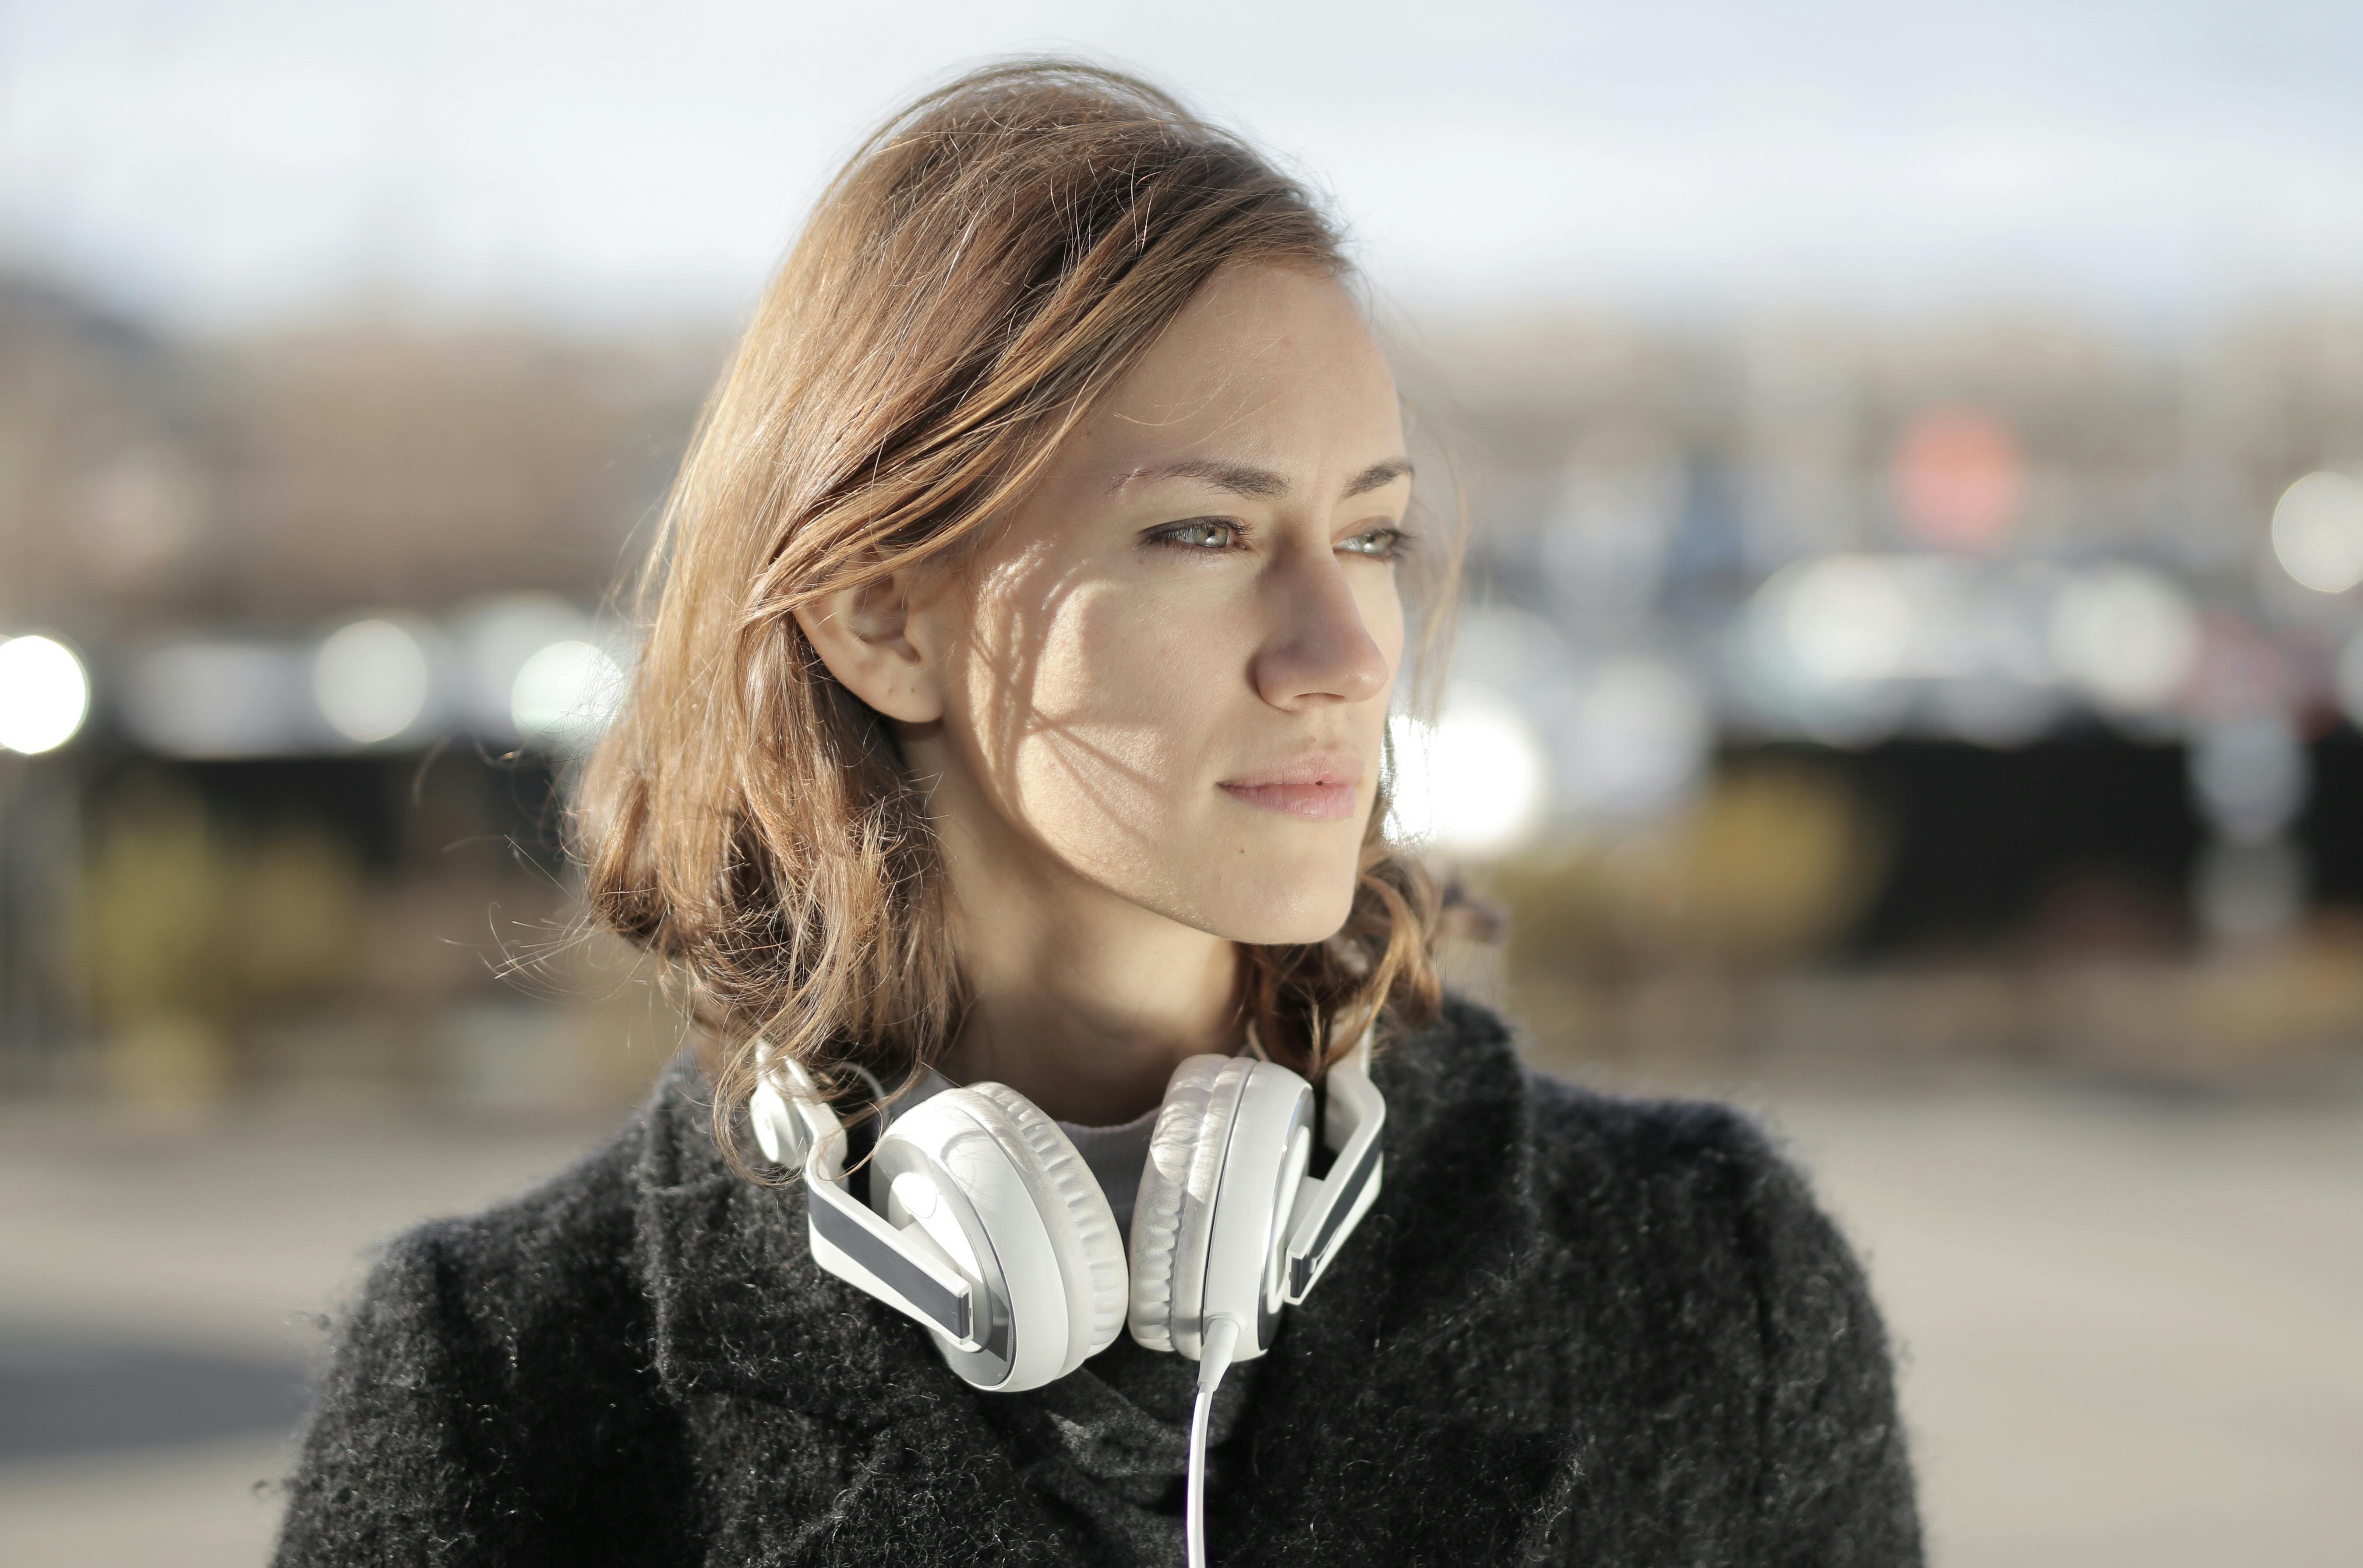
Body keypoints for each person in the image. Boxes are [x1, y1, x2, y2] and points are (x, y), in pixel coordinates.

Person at [273, 60, 1921, 1567]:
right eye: (1206, 534)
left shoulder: (1706, 1283)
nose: (1345, 656)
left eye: (1370, 537)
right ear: (878, 614)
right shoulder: (502, 1393)